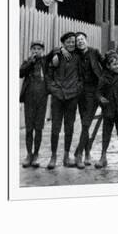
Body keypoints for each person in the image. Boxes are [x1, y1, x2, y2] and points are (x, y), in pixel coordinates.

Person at [45, 32, 83, 169]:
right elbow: (48, 75)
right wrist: (53, 89)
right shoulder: (56, 55)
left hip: (72, 96)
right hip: (58, 97)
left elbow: (82, 76)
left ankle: (66, 156)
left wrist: (77, 89)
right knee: (55, 127)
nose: (72, 44)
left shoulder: (78, 56)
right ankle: (53, 156)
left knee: (69, 127)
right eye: (68, 42)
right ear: (63, 43)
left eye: (73, 41)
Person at [73, 31, 104, 169]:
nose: (80, 41)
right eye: (77, 40)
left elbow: (105, 62)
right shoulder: (75, 55)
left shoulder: (94, 52)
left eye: (82, 39)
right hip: (80, 93)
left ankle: (78, 154)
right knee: (85, 122)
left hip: (93, 92)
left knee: (86, 123)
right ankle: (86, 153)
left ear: (86, 40)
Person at [95, 51, 118, 169]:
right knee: (106, 134)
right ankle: (103, 157)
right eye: (114, 64)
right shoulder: (103, 78)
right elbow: (98, 92)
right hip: (108, 110)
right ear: (108, 66)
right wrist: (100, 98)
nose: (117, 66)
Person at [19, 41, 49, 168]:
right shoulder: (27, 62)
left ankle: (36, 154)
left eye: (39, 49)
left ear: (42, 50)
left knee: (39, 128)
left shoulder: (45, 62)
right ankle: (28, 154)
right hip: (29, 98)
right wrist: (30, 61)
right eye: (34, 49)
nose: (36, 51)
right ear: (31, 50)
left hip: (41, 98)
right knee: (29, 128)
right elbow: (20, 73)